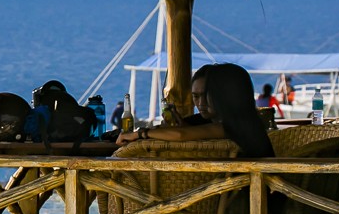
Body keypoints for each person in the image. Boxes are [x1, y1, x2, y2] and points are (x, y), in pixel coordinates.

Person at [117, 62, 273, 158]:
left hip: (250, 202)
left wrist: (140, 134)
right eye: (195, 96)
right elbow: (183, 131)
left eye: (207, 95)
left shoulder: (238, 124)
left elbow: (181, 135)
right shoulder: (218, 122)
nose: (200, 102)